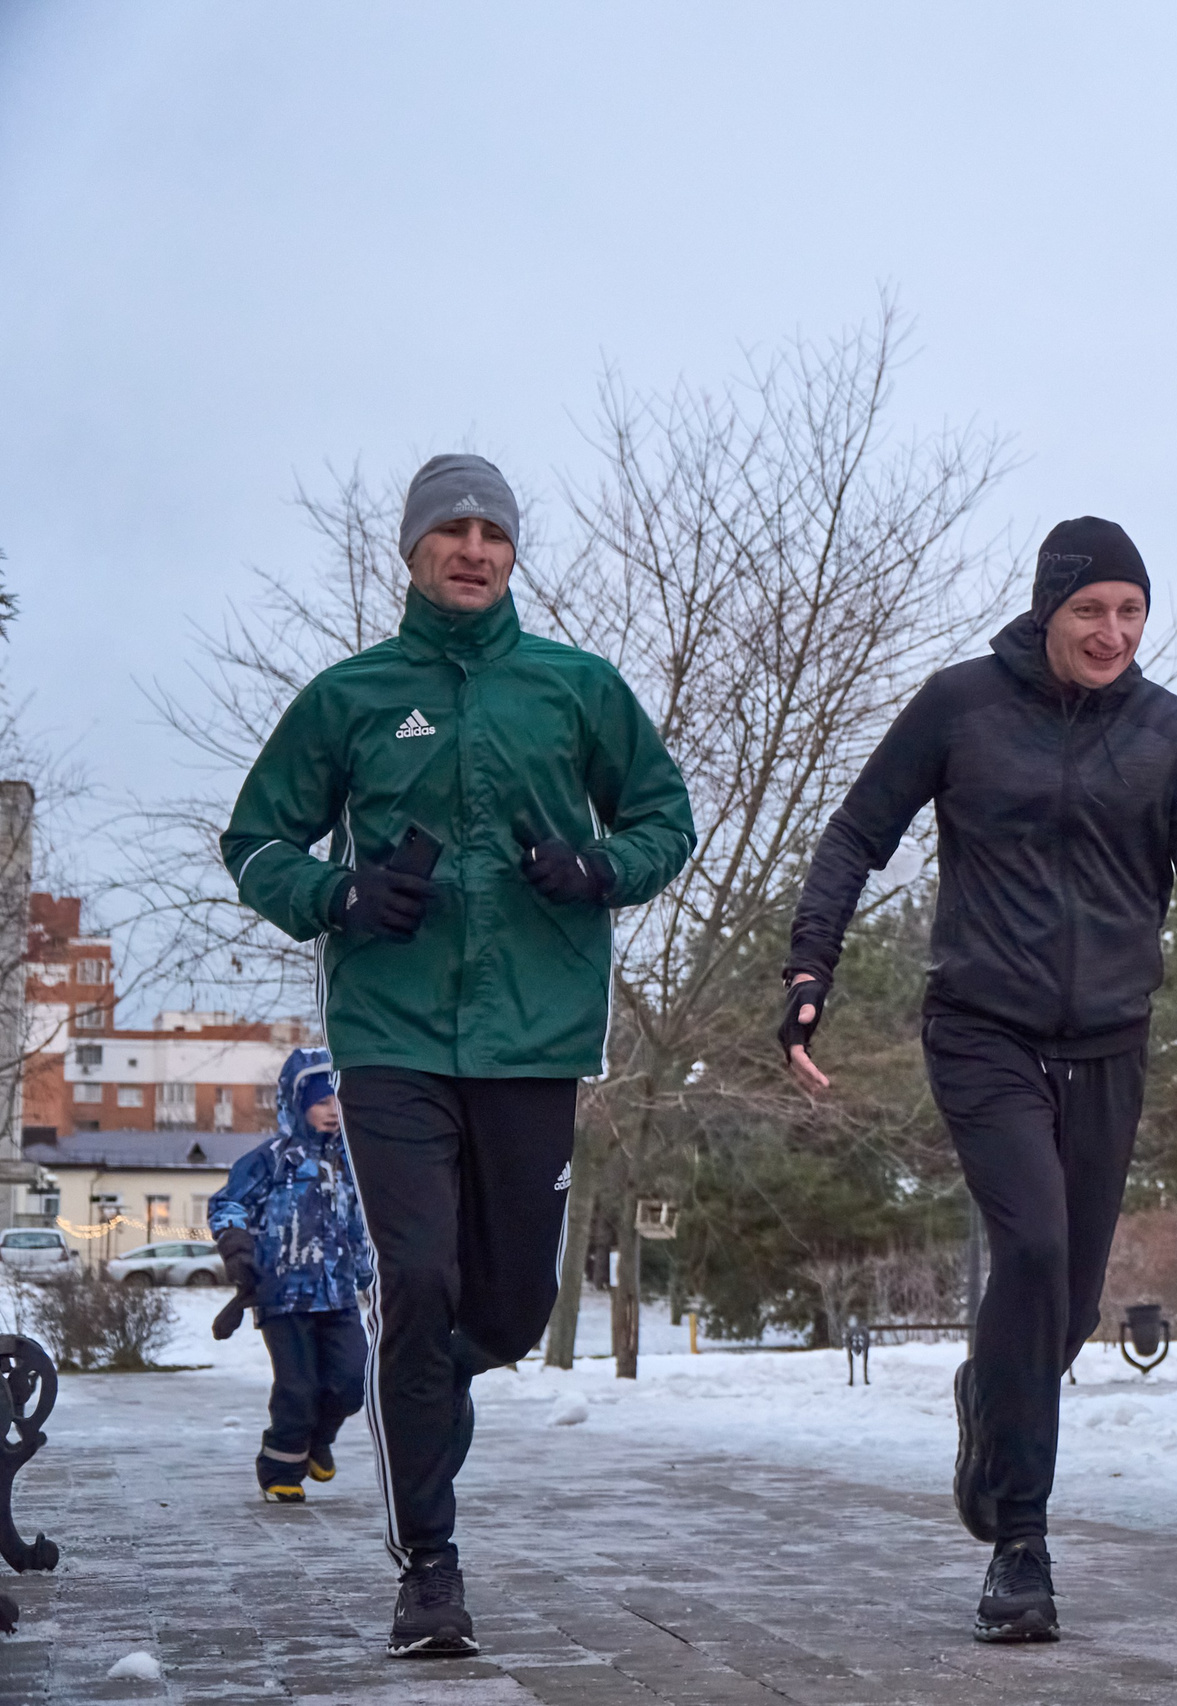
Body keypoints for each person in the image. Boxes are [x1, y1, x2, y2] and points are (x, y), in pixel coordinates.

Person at [778, 516, 1177, 1642]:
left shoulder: (1172, 733)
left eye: (1130, 611)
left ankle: (991, 1393)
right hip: (983, 1030)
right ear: (1046, 610)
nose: (1113, 632)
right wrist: (811, 964)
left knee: (1061, 1311)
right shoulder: (960, 706)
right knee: (1033, 1248)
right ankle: (1021, 1546)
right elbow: (856, 835)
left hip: (1108, 1042)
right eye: (1090, 611)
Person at [221, 454, 697, 1658]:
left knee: (512, 1306)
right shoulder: (351, 696)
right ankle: (429, 1569)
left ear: (513, 552)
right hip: (391, 1037)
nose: (472, 549)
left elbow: (664, 818)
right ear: (414, 548)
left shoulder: (575, 688)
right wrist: (337, 893)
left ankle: (429, 1389)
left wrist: (598, 868)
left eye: (492, 531)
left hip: (535, 1036)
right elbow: (255, 838)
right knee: (419, 1281)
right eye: (451, 529)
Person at [210, 1046, 372, 1505]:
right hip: (282, 1295)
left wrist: (371, 1277)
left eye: (338, 1099)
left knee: (352, 1380)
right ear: (297, 1104)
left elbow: (360, 1224)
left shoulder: (352, 1163)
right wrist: (237, 1245)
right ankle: (280, 1467)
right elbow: (228, 1203)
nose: (333, 1110)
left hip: (338, 1294)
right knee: (297, 1387)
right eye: (321, 1101)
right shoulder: (271, 1160)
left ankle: (317, 1440)